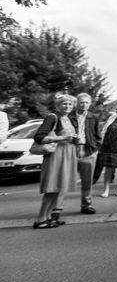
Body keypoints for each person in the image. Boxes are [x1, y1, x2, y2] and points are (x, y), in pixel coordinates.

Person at [32, 94, 78, 229]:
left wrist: (73, 139)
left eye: (70, 104)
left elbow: (68, 137)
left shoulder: (68, 119)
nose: (68, 106)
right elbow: (39, 137)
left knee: (59, 188)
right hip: (56, 155)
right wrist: (62, 138)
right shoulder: (52, 117)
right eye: (64, 103)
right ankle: (41, 219)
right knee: (51, 188)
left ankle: (48, 217)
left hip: (67, 155)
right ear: (58, 105)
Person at [66, 93, 102, 214]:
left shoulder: (94, 117)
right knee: (63, 180)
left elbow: (98, 136)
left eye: (87, 102)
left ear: (90, 103)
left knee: (87, 181)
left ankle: (86, 205)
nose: (84, 105)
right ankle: (57, 207)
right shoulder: (68, 117)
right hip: (70, 151)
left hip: (88, 152)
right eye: (82, 102)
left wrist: (95, 149)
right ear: (77, 103)